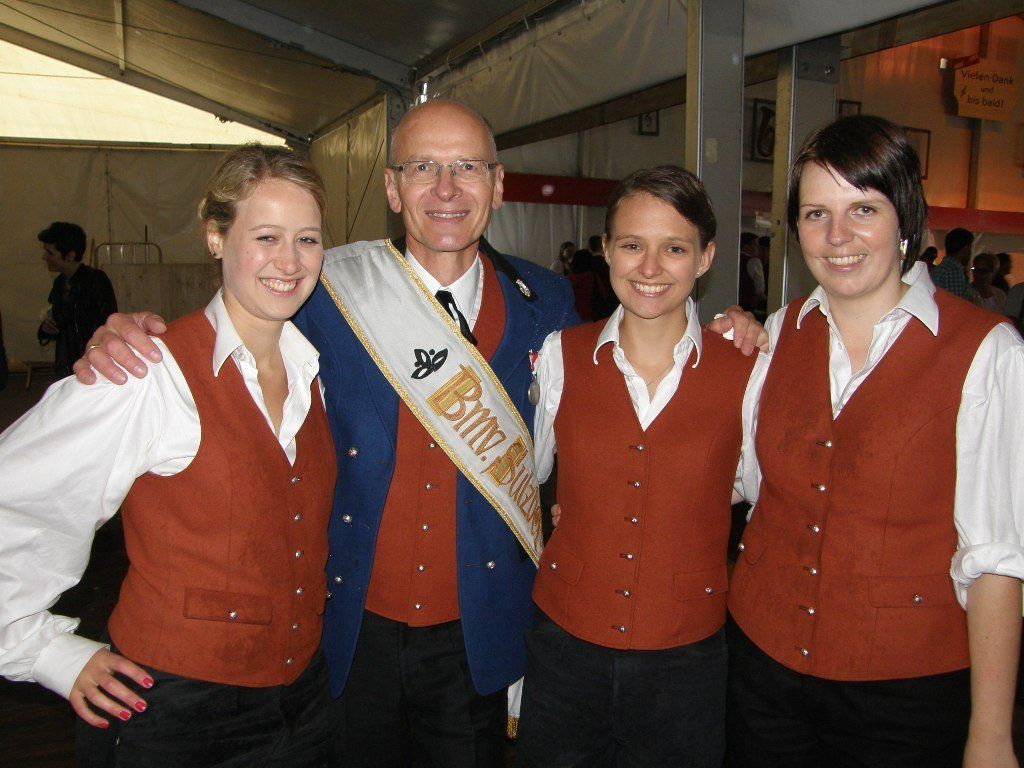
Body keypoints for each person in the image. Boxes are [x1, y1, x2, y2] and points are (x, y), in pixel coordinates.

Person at [72, 98, 766, 768]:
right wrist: (131, 334)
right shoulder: (326, 289)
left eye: (467, 167)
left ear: (498, 186)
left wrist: (733, 331)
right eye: (423, 167)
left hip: (479, 627)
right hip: (349, 621)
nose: (446, 188)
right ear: (391, 188)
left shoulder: (545, 303)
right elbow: (241, 317)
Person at [0, 144, 337, 767]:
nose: (290, 261)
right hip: (177, 711)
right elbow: (13, 497)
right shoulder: (147, 372)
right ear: (216, 237)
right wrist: (44, 651)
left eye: (308, 239)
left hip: (302, 700)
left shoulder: (311, 370)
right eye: (266, 236)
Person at [727, 115, 1024, 768]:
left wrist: (991, 734)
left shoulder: (986, 352)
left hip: (905, 695)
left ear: (905, 217)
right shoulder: (776, 335)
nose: (837, 237)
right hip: (762, 674)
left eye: (863, 209)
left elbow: (996, 561)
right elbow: (737, 483)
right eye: (816, 214)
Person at [516, 167, 757, 767]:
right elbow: (527, 476)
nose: (650, 267)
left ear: (705, 258)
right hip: (566, 643)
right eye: (631, 245)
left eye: (674, 248)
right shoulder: (560, 356)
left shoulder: (748, 370)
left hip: (687, 655)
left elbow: (748, 487)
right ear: (605, 250)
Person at [36, 222, 118, 378]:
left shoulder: (96, 280)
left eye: (50, 253)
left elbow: (109, 323)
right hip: (65, 366)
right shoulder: (59, 283)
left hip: (92, 365)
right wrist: (46, 328)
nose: (44, 257)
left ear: (70, 256)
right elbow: (60, 323)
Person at [931, 226, 973, 299]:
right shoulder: (953, 272)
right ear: (965, 249)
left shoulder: (940, 269)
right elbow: (956, 303)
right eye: (970, 248)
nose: (970, 253)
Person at [739, 231, 767, 320]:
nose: (758, 248)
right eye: (755, 245)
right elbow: (760, 287)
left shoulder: (734, 260)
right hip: (749, 303)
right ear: (746, 246)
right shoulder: (754, 261)